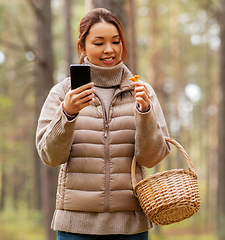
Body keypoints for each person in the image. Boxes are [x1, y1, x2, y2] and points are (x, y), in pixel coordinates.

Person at [36, 8, 170, 240]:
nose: (109, 49)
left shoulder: (142, 92)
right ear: (82, 46)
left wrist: (145, 113)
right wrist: (67, 114)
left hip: (130, 226)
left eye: (116, 42)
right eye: (99, 43)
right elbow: (50, 157)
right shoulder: (63, 93)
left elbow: (151, 158)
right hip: (75, 227)